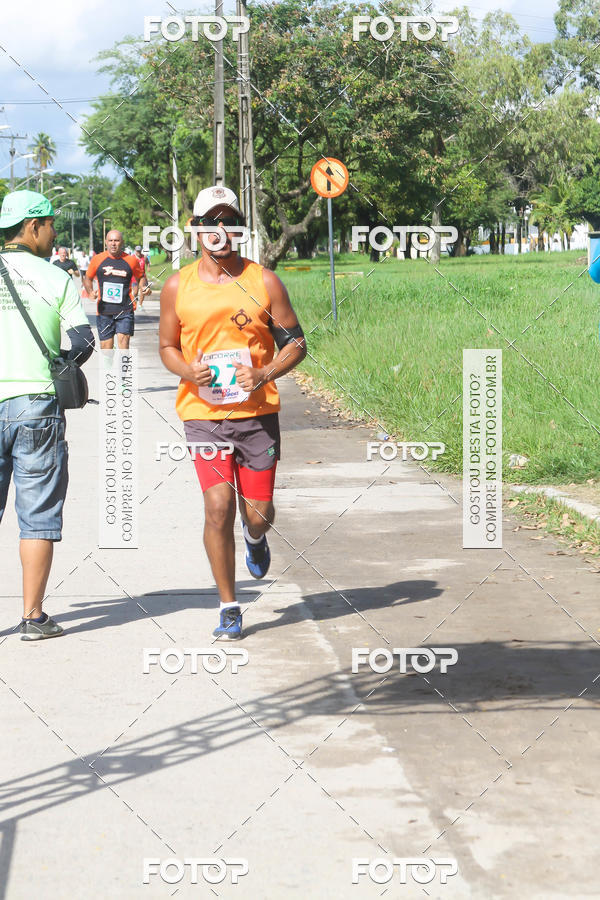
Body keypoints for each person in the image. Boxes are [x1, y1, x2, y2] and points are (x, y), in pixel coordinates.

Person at [159, 185, 306, 641]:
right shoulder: (177, 285)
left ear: (239, 228)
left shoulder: (265, 281)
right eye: (210, 222)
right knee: (218, 508)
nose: (218, 230)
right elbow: (165, 347)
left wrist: (262, 374)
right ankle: (228, 605)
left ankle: (257, 538)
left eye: (228, 221)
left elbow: (296, 343)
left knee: (256, 514)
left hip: (257, 416)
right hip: (203, 414)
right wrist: (188, 370)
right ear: (195, 228)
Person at [0, 190, 94, 640]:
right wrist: (57, 361)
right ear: (32, 227)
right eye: (51, 223)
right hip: (36, 405)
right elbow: (83, 343)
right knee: (36, 515)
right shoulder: (56, 279)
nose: (54, 232)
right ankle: (32, 617)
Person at [82, 229, 147, 350]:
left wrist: (144, 287)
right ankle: (108, 369)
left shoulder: (131, 260)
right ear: (106, 242)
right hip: (104, 311)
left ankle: (125, 369)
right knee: (106, 348)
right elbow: (88, 278)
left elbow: (141, 277)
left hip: (125, 310)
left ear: (122, 242)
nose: (113, 243)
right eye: (110, 240)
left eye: (116, 240)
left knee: (124, 344)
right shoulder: (98, 259)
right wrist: (90, 291)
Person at [131, 244, 151, 308]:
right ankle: (136, 298)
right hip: (134, 276)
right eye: (137, 251)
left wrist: (148, 267)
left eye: (139, 251)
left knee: (143, 289)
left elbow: (148, 262)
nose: (138, 253)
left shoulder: (144, 257)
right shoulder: (132, 257)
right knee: (135, 292)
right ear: (135, 251)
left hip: (142, 276)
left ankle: (140, 304)